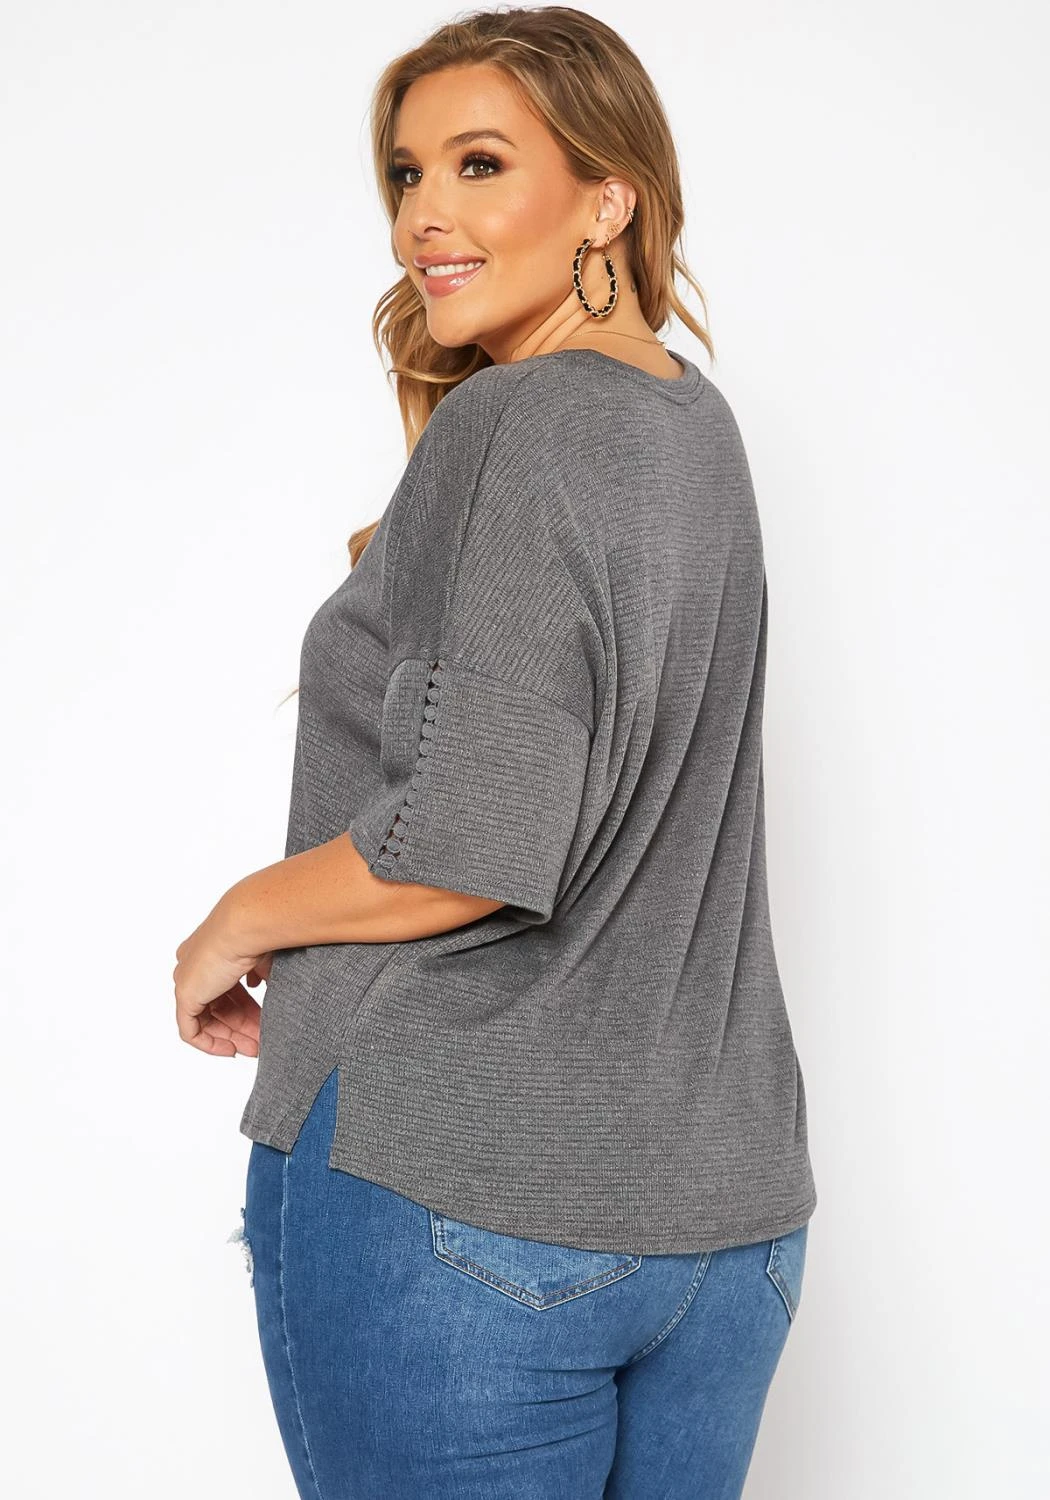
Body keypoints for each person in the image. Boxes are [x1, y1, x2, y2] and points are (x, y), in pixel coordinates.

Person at [173, 7, 818, 1496]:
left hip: (463, 1185)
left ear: (608, 199)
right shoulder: (692, 422)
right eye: (408, 174)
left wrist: (233, 922)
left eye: (479, 165)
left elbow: (468, 848)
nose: (425, 216)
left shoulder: (523, 423)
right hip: (723, 1220)